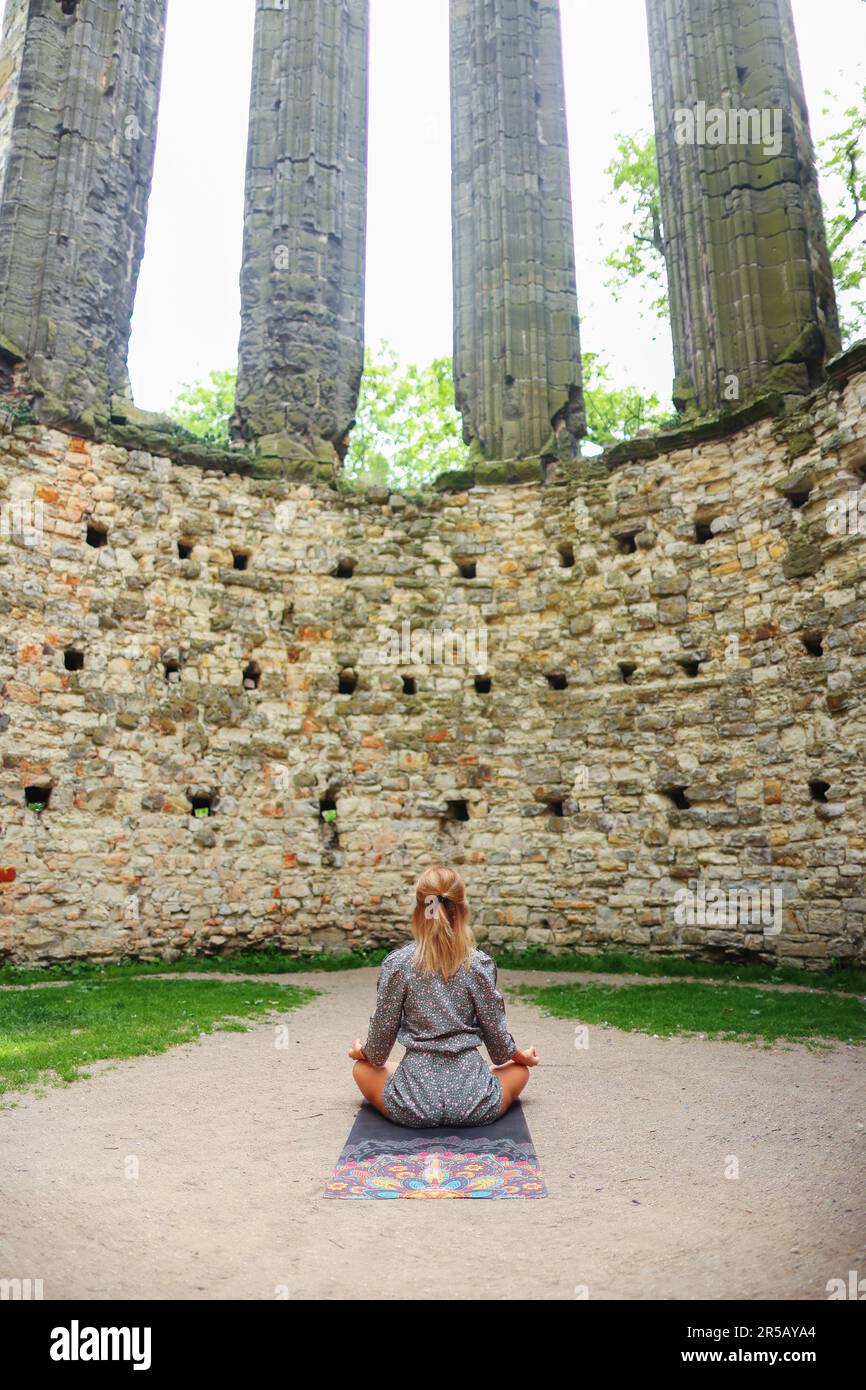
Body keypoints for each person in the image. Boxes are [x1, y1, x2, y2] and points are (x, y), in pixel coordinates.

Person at [348, 865, 539, 1127]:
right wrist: (521, 1056)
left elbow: (378, 1053)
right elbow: (498, 1048)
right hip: (474, 1102)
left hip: (413, 1104)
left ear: (418, 910)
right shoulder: (478, 965)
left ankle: (413, 1078)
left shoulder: (399, 964)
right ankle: (477, 1079)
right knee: (518, 1071)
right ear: (462, 910)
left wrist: (363, 1052)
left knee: (363, 1069)